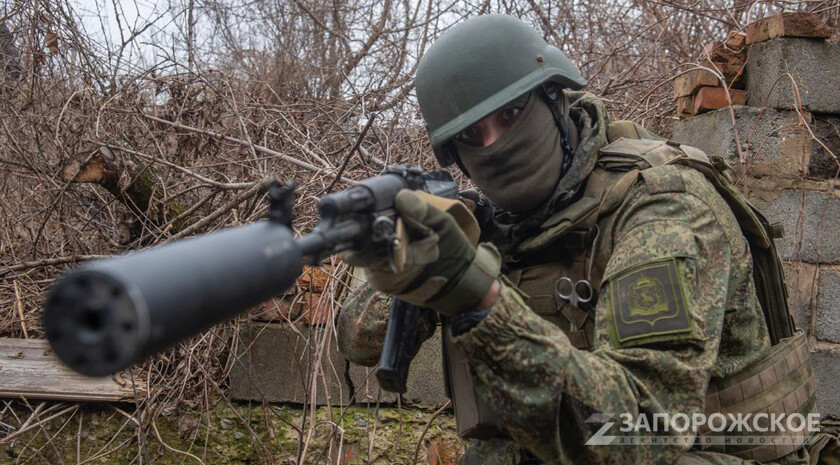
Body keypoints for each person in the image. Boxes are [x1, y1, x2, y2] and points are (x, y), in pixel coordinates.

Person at [337, 14, 836, 465]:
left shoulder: (661, 206)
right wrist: (404, 262)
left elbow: (639, 427)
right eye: (472, 136)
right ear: (457, 157)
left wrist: (480, 298)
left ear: (554, 99)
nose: (496, 146)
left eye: (510, 115)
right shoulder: (489, 223)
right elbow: (359, 344)